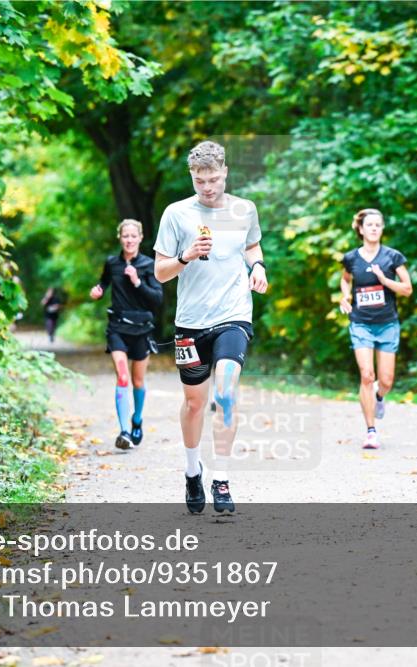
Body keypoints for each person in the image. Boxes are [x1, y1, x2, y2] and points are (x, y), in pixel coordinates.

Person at [154, 140, 268, 514]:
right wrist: (186, 256)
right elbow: (160, 272)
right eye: (200, 181)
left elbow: (252, 247)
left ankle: (221, 478)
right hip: (191, 321)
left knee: (225, 393)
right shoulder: (176, 214)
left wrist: (258, 268)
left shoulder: (244, 209)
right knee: (193, 403)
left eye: (214, 179)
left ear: (225, 173)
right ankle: (192, 472)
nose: (207, 187)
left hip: (234, 315)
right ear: (192, 176)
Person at [339, 208, 413, 449]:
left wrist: (384, 280)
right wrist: (345, 297)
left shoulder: (392, 257)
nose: (373, 228)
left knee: (386, 380)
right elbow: (345, 279)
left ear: (382, 229)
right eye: (369, 224)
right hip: (360, 323)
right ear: (361, 229)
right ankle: (371, 431)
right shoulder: (351, 258)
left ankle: (380, 398)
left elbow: (407, 289)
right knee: (367, 375)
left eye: (377, 225)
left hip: (387, 324)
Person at [90, 219, 163, 450]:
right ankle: (124, 432)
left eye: (133, 236)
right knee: (122, 377)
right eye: (125, 236)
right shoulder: (112, 263)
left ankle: (137, 420)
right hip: (118, 327)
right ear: (119, 238)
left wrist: (137, 281)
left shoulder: (150, 264)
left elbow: (157, 299)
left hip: (142, 328)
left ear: (140, 238)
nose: (129, 240)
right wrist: (98, 290)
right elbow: (103, 283)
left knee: (138, 381)